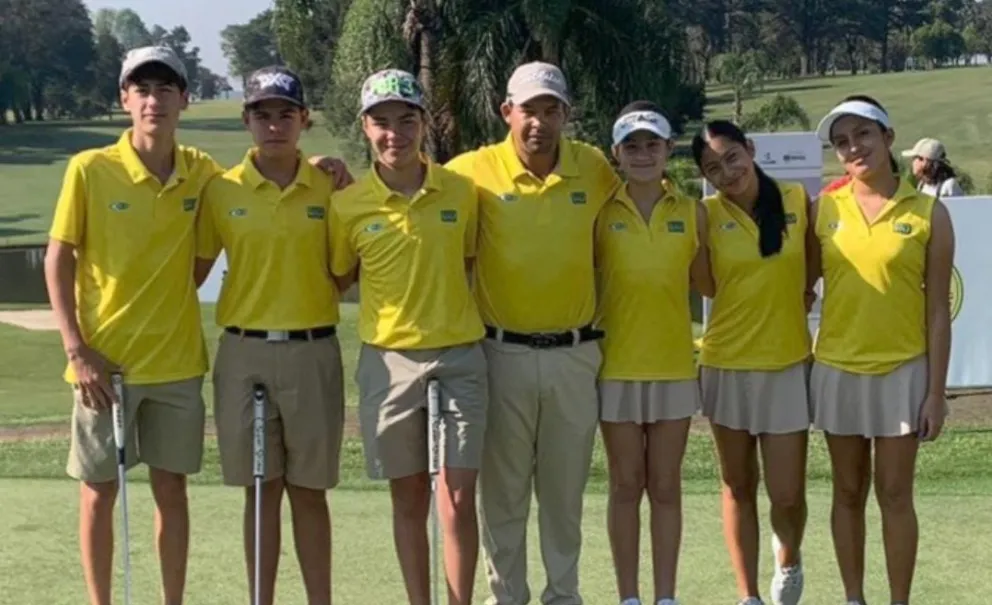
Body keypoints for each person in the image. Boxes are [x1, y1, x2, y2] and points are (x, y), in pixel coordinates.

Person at [43, 46, 223, 605]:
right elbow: (58, 258)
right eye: (141, 89)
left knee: (173, 490)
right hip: (102, 365)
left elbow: (201, 261)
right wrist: (77, 349)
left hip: (175, 364)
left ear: (184, 100)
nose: (154, 100)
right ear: (125, 100)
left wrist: (321, 166)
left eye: (165, 89)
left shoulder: (201, 172)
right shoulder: (90, 169)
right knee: (99, 491)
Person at [445, 61, 621, 605]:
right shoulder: (472, 170)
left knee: (564, 494)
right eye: (529, 110)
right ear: (507, 112)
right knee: (504, 495)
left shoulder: (592, 167)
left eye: (551, 110)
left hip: (576, 352)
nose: (539, 123)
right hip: (501, 352)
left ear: (566, 114)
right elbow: (409, 188)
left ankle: (563, 596)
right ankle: (508, 598)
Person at [328, 68, 489, 605]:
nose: (394, 133)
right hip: (388, 360)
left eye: (406, 120)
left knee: (459, 497)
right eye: (381, 122)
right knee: (410, 496)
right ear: (365, 127)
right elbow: (339, 276)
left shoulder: (461, 193)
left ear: (423, 124)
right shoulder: (347, 205)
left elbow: (468, 261)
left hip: (460, 355)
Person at [193, 66, 344, 605]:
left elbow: (344, 272)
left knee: (309, 492)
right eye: (262, 115)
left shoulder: (330, 185)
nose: (274, 125)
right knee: (260, 490)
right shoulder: (221, 190)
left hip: (312, 349)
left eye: (286, 114)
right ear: (246, 121)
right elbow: (195, 270)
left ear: (304, 120)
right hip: (243, 351)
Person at [811, 97, 954, 605]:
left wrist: (936, 394)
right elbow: (800, 286)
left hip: (903, 372)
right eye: (842, 141)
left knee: (895, 495)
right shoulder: (824, 208)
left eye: (863, 135)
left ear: (889, 138)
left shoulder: (929, 213)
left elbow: (938, 310)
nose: (854, 147)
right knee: (847, 493)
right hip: (837, 369)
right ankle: (854, 598)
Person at [595, 101, 714, 605]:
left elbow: (710, 284)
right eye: (632, 146)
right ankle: (629, 596)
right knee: (625, 485)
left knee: (665, 487)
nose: (643, 155)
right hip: (615, 367)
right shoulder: (600, 212)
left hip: (672, 368)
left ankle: (665, 596)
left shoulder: (692, 212)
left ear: (669, 150)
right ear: (616, 154)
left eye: (653, 145)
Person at [691, 119, 813, 605]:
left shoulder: (797, 201)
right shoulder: (705, 215)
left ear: (751, 149)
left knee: (787, 494)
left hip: (786, 364)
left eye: (732, 157)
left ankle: (789, 558)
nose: (727, 172)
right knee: (738, 484)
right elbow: (706, 286)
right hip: (726, 364)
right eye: (712, 167)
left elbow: (812, 275)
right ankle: (748, 595)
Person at [901, 137, 965, 199]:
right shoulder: (922, 184)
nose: (912, 162)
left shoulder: (949, 185)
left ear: (924, 160)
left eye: (915, 158)